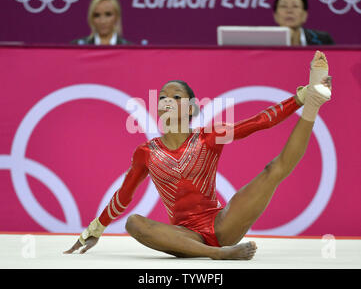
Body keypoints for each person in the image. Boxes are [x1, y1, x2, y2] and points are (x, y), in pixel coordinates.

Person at [64, 51, 332, 259]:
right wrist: (95, 229)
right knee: (134, 223)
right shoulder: (145, 153)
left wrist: (301, 97)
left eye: (176, 97)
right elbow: (124, 196)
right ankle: (218, 255)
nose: (167, 101)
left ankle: (312, 106)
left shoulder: (209, 138)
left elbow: (259, 122)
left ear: (191, 108)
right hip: (184, 236)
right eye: (163, 98)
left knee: (274, 170)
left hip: (222, 224)